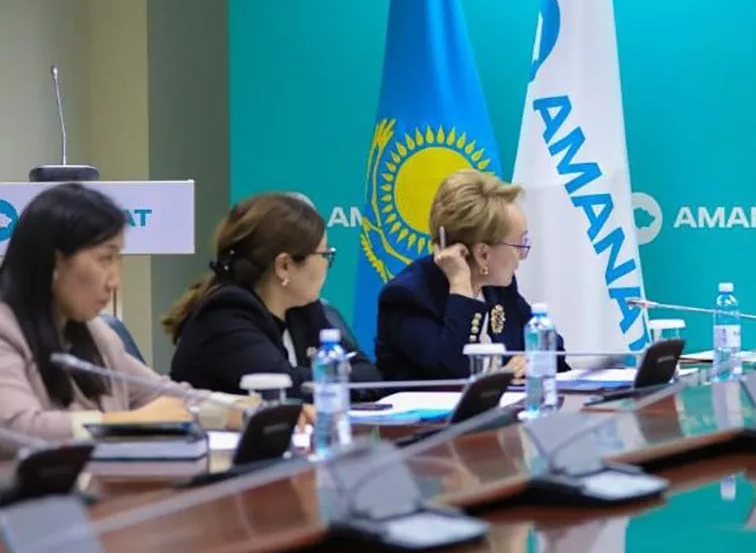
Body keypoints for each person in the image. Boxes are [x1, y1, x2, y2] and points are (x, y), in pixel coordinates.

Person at [0, 184, 250, 448]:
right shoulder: (6, 330)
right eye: (105, 259)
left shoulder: (96, 334)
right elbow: (15, 428)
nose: (114, 282)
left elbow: (167, 397)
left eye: (118, 259)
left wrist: (245, 410)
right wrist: (127, 423)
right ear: (55, 262)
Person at [164, 193, 380, 401]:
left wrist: (330, 380)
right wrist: (337, 379)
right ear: (284, 266)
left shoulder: (304, 310)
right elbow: (283, 386)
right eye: (325, 254)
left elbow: (369, 374)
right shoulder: (225, 313)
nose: (326, 264)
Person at [376, 169, 568, 381]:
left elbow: (554, 349)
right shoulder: (408, 296)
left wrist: (532, 359)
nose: (523, 255)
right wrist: (460, 286)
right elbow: (452, 370)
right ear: (483, 254)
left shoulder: (497, 288)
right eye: (520, 244)